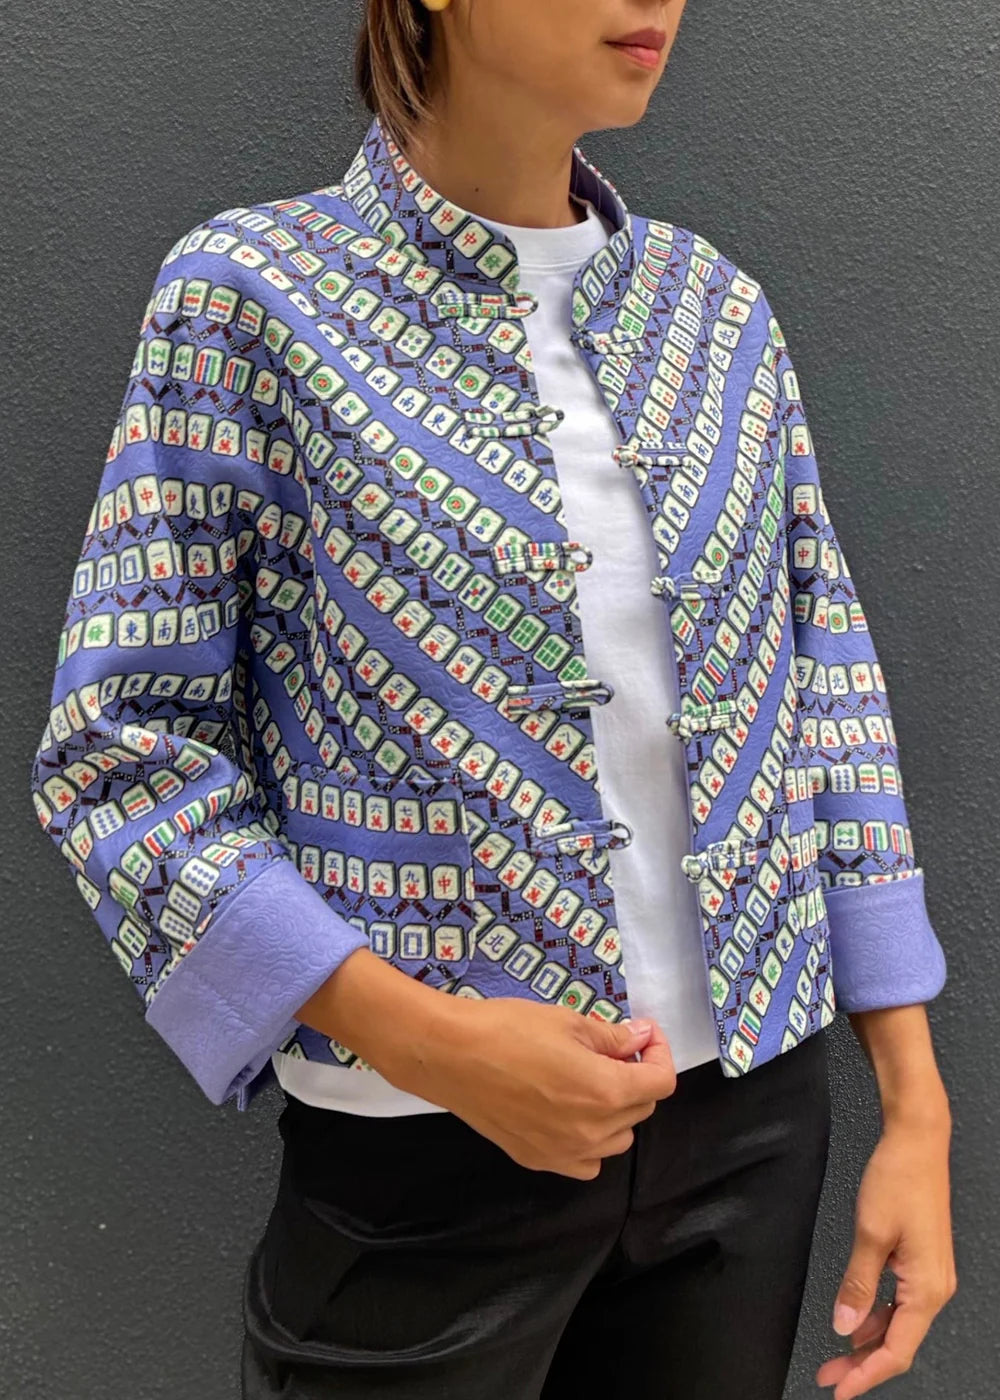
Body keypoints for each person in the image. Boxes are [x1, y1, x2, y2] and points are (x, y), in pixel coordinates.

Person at [29, 2, 956, 1397]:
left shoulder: (717, 313)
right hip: (416, 1153)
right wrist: (430, 1038)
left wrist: (914, 1105)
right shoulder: (251, 299)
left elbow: (828, 688)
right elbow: (120, 753)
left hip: (750, 1135)